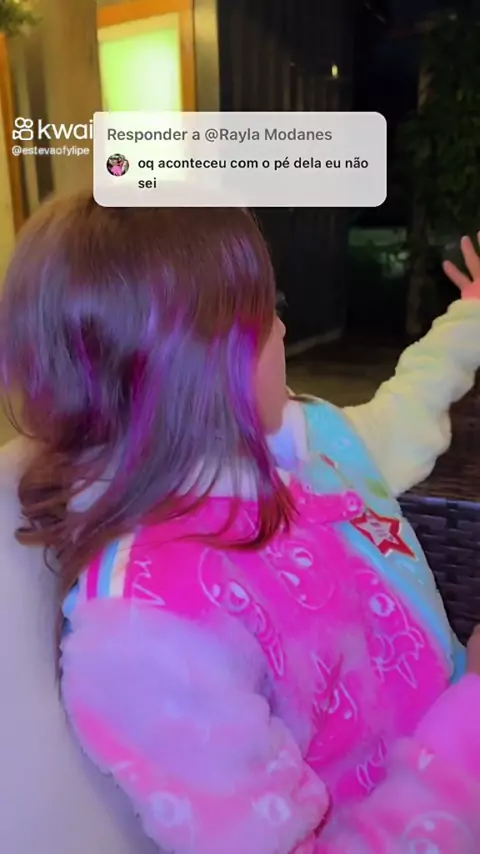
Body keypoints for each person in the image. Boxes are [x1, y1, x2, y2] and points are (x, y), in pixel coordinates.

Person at [2, 194, 480, 853]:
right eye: (262, 313)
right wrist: (469, 721)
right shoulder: (151, 633)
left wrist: (469, 315)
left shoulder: (299, 444)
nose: (283, 329)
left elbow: (407, 405)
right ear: (193, 364)